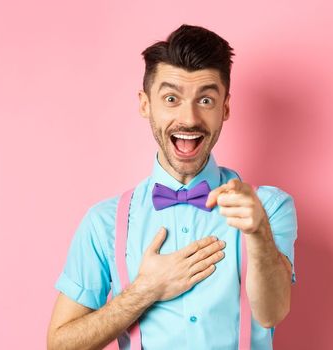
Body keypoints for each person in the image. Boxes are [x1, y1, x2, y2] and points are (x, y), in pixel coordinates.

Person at [46, 24, 297, 350]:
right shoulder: (104, 222)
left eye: (205, 99)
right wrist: (145, 290)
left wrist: (259, 234)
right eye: (171, 98)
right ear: (145, 104)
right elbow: (61, 344)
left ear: (225, 108)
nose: (189, 118)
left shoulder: (269, 207)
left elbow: (272, 313)